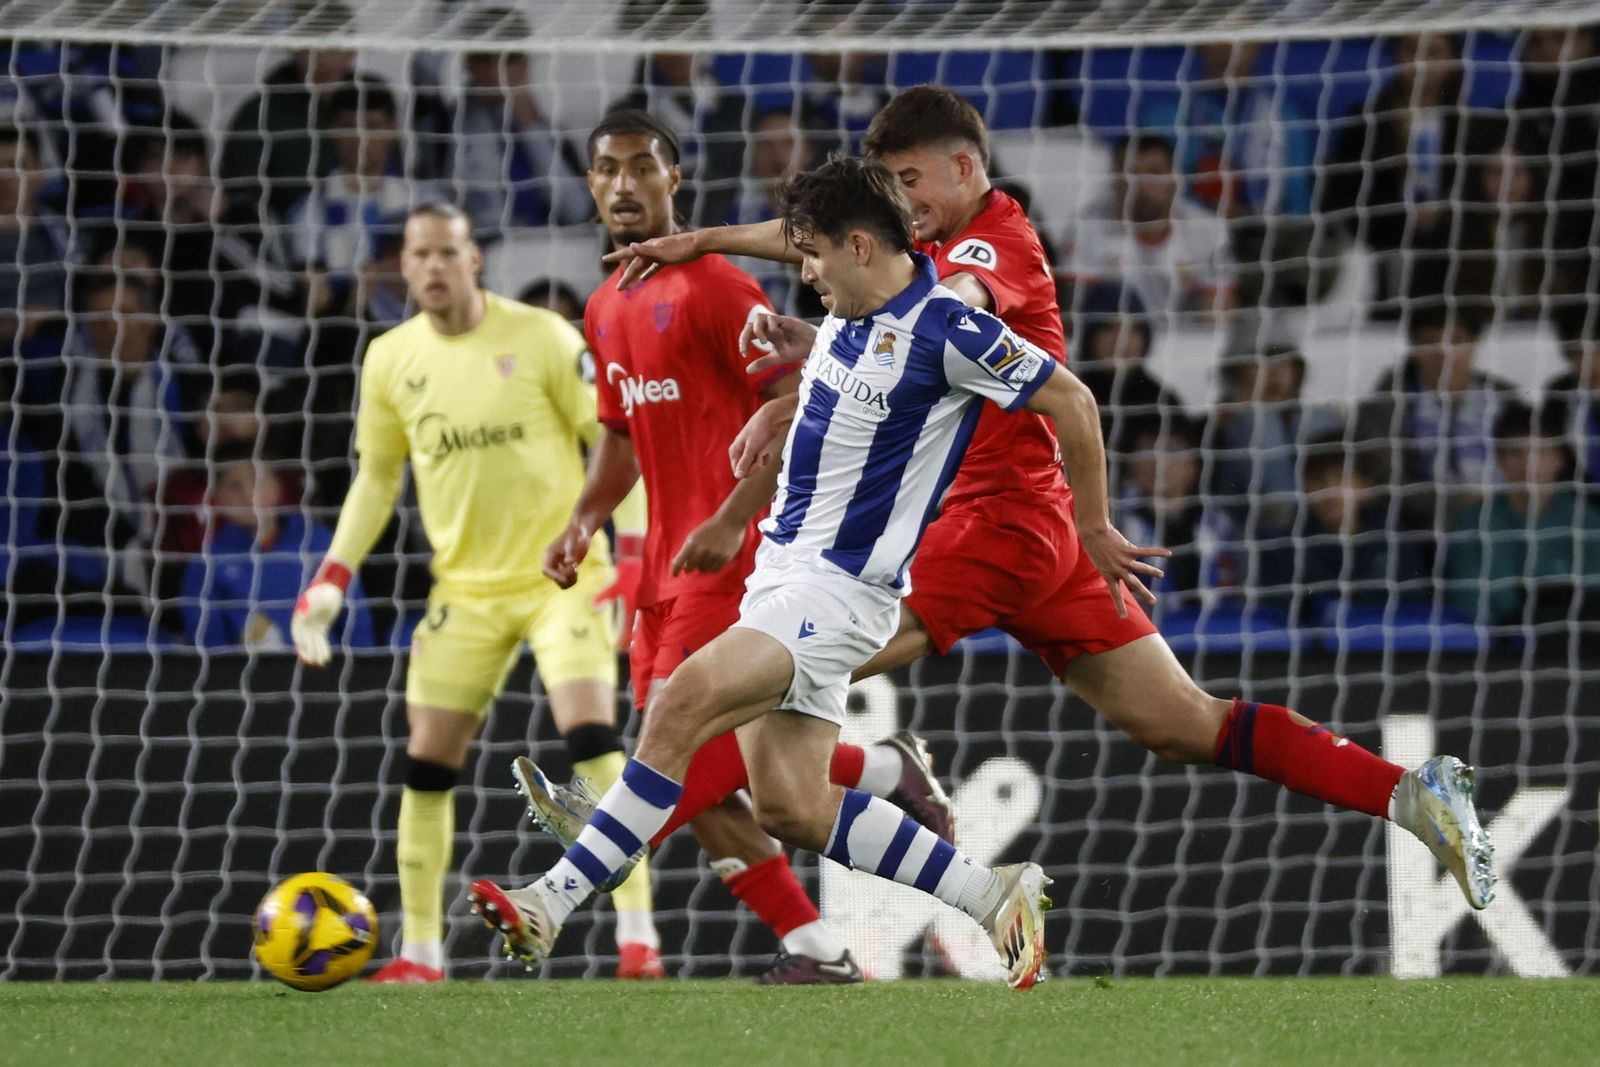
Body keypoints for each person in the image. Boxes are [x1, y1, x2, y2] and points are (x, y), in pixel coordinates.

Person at [597, 86, 1495, 918]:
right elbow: (835, 242)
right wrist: (709, 242)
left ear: (965, 166)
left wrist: (817, 364)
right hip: (1036, 538)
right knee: (1185, 723)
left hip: (993, 527)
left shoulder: (992, 246)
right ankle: (1413, 794)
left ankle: (677, 801)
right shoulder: (922, 243)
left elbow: (943, 319)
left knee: (791, 655)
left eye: (912, 180)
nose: (903, 202)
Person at [472, 155, 1076, 990]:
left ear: (860, 246)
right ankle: (990, 893)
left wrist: (1098, 526)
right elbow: (850, 373)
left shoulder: (949, 328)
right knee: (792, 805)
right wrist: (776, 404)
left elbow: (1072, 401)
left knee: (681, 699)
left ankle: (551, 898)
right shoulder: (854, 312)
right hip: (781, 577)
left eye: (814, 257)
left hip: (838, 592)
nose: (806, 272)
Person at [529, 110, 949, 984]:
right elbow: (618, 433)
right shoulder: (605, 306)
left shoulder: (719, 288)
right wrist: (582, 517)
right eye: (605, 169)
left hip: (742, 560)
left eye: (641, 166)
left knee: (679, 748)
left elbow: (805, 396)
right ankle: (818, 934)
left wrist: (729, 518)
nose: (622, 185)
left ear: (673, 181)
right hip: (660, 570)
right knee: (727, 776)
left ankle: (585, 852)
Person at [289, 202, 660, 982]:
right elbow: (378, 478)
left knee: (589, 731)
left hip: (567, 575)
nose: (430, 267)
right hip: (465, 587)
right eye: (416, 254)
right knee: (427, 762)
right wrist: (331, 576)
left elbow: (615, 445)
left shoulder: (544, 338)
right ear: (403, 265)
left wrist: (631, 556)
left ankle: (639, 942)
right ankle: (420, 952)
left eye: (445, 253)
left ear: (474, 259)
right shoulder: (390, 359)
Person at [181, 443, 373, 651]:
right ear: (218, 499)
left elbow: (354, 615)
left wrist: (360, 669)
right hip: (252, 676)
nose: (248, 495)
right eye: (234, 486)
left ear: (276, 488)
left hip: (325, 670)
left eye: (257, 482)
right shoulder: (209, 561)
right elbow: (208, 640)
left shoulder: (316, 540)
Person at [1444, 402, 1600, 629]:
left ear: (1560, 459)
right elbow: (1470, 603)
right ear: (1499, 460)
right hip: (1501, 652)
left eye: (1540, 452)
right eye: (1515, 453)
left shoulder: (1588, 522)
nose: (1528, 465)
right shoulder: (1473, 523)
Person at [1063, 132, 1235, 328]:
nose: (1142, 184)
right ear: (1116, 182)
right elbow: (1074, 319)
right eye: (1132, 173)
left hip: (1187, 346)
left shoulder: (1208, 230)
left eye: (1154, 172)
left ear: (1173, 180)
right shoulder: (1087, 227)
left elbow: (1218, 322)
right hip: (1115, 347)